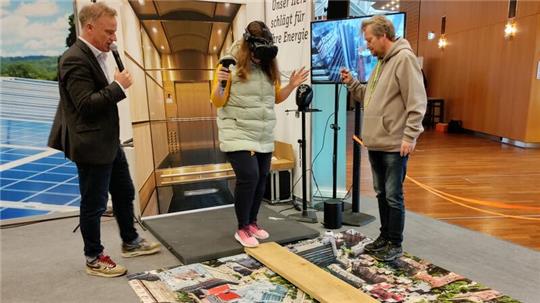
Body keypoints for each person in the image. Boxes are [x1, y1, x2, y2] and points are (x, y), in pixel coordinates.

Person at [48, 2, 160, 278]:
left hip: (109, 141)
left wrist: (114, 86)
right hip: (91, 145)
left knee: (124, 191)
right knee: (94, 203)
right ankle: (94, 257)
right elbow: (85, 105)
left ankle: (130, 241)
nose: (114, 38)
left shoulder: (95, 54)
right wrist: (118, 86)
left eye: (115, 32)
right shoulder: (74, 58)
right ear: (89, 27)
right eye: (109, 32)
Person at [210, 21, 309, 248]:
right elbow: (217, 101)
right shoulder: (229, 65)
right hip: (236, 132)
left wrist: (291, 85)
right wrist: (222, 83)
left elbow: (275, 98)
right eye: (256, 55)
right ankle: (242, 227)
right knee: (249, 177)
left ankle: (253, 222)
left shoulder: (267, 67)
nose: (259, 59)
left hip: (262, 134)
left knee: (262, 178)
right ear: (248, 47)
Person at [340, 15, 427, 261]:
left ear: (383, 36)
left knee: (393, 195)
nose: (367, 45)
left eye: (369, 40)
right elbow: (370, 96)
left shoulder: (404, 59)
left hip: (394, 144)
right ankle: (385, 237)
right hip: (377, 142)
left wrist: (410, 136)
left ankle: (395, 243)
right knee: (381, 193)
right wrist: (352, 84)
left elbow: (417, 102)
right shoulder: (381, 63)